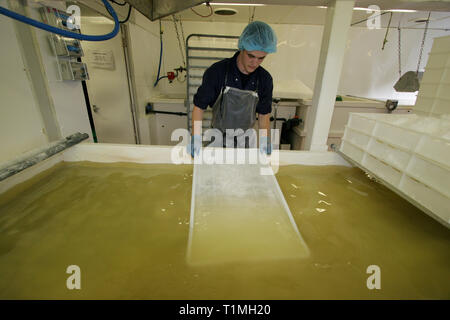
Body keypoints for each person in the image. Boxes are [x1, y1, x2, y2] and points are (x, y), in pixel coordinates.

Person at [188, 21, 277, 157]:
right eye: (251, 56)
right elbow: (199, 107)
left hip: (247, 142)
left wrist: (265, 140)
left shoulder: (265, 79)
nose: (255, 63)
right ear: (242, 47)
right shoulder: (218, 72)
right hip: (218, 139)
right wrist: (196, 137)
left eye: (261, 58)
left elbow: (264, 115)